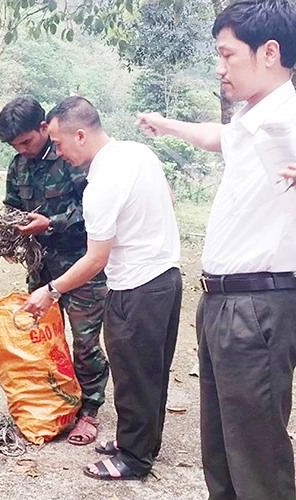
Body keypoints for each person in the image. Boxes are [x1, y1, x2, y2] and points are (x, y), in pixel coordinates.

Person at [136, 1, 296, 497]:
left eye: (228, 55)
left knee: (257, 459)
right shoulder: (255, 120)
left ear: (269, 52)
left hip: (258, 306)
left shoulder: (288, 117)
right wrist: (166, 123)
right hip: (223, 303)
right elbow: (217, 138)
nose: (219, 67)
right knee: (223, 451)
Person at [23, 96, 181, 481]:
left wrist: (51, 291)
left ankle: (133, 459)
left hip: (137, 286)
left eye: (59, 143)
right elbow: (168, 200)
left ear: (80, 134)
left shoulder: (100, 184)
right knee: (150, 372)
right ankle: (140, 442)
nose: (57, 152)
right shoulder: (137, 153)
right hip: (166, 278)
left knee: (132, 374)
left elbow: (95, 259)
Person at [0, 96, 109, 446]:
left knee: (85, 341)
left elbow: (94, 208)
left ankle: (89, 410)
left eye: (27, 141)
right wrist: (10, 240)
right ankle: (57, 401)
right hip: (41, 270)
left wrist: (51, 224)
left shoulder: (72, 159)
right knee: (46, 340)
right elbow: (13, 208)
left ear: (44, 127)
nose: (22, 149)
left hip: (81, 265)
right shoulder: (18, 166)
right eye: (15, 145)